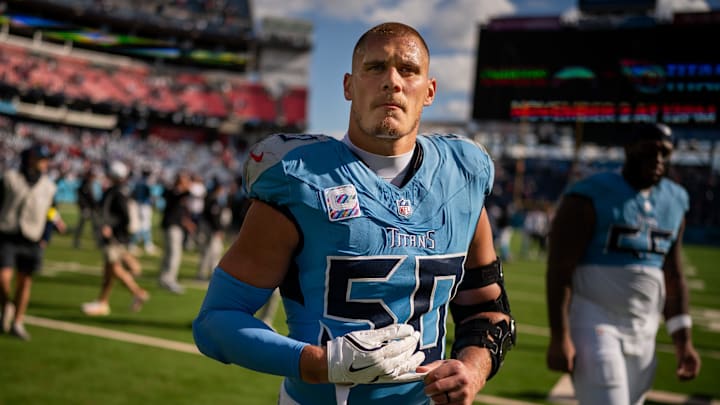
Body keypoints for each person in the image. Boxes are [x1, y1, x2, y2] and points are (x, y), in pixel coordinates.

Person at [193, 22, 515, 405]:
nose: (392, 82)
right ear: (348, 85)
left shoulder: (462, 177)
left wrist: (472, 371)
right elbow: (216, 321)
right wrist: (319, 364)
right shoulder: (302, 179)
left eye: (407, 70)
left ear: (429, 91)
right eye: (375, 67)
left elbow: (487, 309)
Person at [545, 123, 701, 405]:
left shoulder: (676, 199)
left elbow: (673, 274)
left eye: (665, 153)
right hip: (595, 320)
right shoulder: (588, 194)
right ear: (629, 149)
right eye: (649, 150)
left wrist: (683, 340)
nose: (658, 159)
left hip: (645, 327)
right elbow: (559, 270)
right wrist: (559, 336)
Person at [0, 143, 57, 340]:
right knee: (3, 278)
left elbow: (52, 213)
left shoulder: (49, 186)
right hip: (7, 234)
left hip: (32, 238)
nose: (45, 162)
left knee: (25, 283)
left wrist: (46, 237)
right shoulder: (10, 178)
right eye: (41, 158)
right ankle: (6, 304)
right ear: (30, 158)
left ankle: (17, 321)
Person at [82, 161, 149, 316]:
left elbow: (123, 217)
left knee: (113, 268)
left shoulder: (118, 192)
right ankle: (103, 301)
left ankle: (137, 292)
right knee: (109, 271)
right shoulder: (121, 190)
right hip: (119, 236)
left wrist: (109, 226)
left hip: (114, 237)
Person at [158, 171, 194, 294]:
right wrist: (185, 185)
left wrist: (187, 223)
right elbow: (184, 193)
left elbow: (179, 211)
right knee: (174, 254)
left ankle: (163, 278)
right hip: (172, 226)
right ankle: (170, 280)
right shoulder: (175, 191)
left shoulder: (176, 192)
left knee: (169, 254)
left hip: (173, 225)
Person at [195, 181, 229, 281]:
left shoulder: (211, 198)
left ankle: (203, 273)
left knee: (208, 252)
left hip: (208, 228)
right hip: (211, 230)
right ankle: (206, 274)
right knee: (213, 252)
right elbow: (214, 217)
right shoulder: (213, 200)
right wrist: (218, 230)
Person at [130, 168, 157, 255]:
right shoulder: (147, 182)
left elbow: (133, 193)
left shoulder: (138, 182)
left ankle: (141, 243)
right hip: (144, 206)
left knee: (141, 225)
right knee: (145, 225)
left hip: (138, 204)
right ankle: (145, 244)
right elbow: (150, 195)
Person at [73, 167, 100, 248]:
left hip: (91, 209)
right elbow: (82, 198)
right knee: (82, 226)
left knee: (95, 226)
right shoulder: (84, 184)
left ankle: (99, 242)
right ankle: (76, 242)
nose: (93, 178)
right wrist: (83, 207)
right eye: (92, 176)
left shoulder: (91, 184)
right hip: (86, 209)